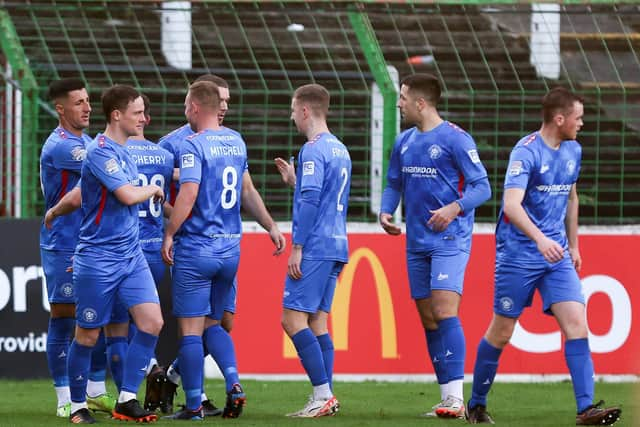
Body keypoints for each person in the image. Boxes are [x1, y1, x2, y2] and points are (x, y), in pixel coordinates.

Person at [466, 88, 622, 425]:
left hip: (557, 255)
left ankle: (586, 409)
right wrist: (539, 240)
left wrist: (574, 245)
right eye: (578, 118)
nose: (582, 124)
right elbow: (511, 204)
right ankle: (476, 404)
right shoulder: (526, 152)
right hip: (519, 253)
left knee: (577, 325)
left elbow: (571, 197)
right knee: (502, 332)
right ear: (559, 118)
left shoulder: (573, 150)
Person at [160, 81, 285, 420]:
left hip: (196, 246)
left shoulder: (191, 145)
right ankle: (233, 384)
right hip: (230, 248)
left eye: (188, 102)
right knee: (214, 324)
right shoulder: (235, 141)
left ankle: (194, 404)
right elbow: (245, 189)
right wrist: (270, 225)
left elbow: (187, 194)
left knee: (190, 330)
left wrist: (170, 232)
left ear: (197, 106)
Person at [379, 73, 491, 418]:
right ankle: (447, 399)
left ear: (420, 103)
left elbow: (482, 188)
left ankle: (458, 399)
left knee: (444, 312)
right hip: (416, 242)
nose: (398, 103)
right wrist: (385, 210)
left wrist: (454, 207)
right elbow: (393, 182)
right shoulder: (404, 141)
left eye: (402, 97)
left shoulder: (456, 139)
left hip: (450, 239)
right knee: (429, 320)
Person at [65, 85, 164, 424]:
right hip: (98, 258)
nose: (144, 118)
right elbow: (124, 194)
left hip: (131, 255)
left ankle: (127, 398)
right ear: (117, 115)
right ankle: (77, 405)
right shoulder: (100, 151)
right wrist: (152, 187)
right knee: (88, 335)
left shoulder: (124, 152)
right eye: (138, 112)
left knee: (153, 322)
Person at [146, 74, 235, 416]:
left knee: (222, 322)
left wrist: (269, 223)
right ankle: (194, 394)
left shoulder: (228, 142)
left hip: (223, 243)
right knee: (193, 325)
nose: (225, 107)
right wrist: (178, 222)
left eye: (227, 101)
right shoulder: (170, 145)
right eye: (220, 101)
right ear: (198, 103)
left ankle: (176, 377)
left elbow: (242, 189)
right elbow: (160, 199)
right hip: (189, 246)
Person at [39, 78, 113, 418]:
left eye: (88, 101)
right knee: (64, 318)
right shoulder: (64, 146)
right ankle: (64, 397)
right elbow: (107, 165)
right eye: (79, 102)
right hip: (64, 243)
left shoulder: (85, 141)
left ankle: (96, 390)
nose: (87, 107)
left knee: (95, 317)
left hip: (91, 242)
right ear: (60, 108)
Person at [279, 83, 351, 418]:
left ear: (305, 110)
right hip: (338, 244)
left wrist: (297, 247)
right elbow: (319, 193)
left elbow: (310, 202)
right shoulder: (340, 149)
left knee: (292, 319)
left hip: (317, 246)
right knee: (318, 322)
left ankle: (322, 394)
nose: (292, 116)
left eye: (293, 109)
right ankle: (327, 396)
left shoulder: (313, 149)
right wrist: (296, 181)